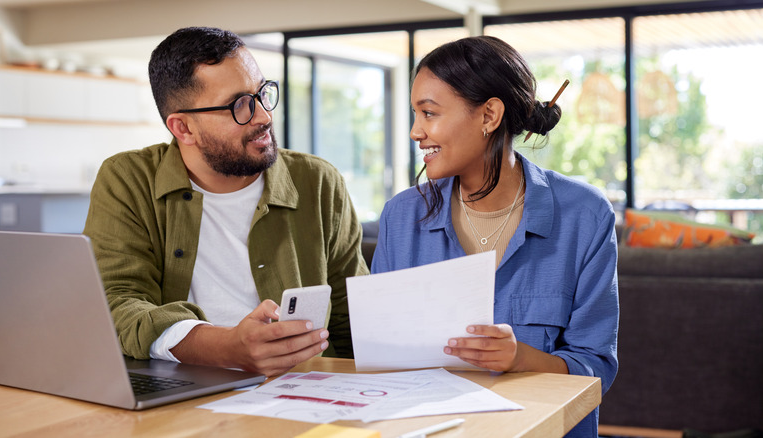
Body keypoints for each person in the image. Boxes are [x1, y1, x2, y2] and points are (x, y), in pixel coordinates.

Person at [83, 27, 368, 377]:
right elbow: (117, 303)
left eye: (262, 94)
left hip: (305, 386)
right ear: (183, 128)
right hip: (181, 389)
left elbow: (352, 313)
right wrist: (227, 348)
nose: (264, 116)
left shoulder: (318, 181)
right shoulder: (128, 178)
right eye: (240, 106)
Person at [371, 36, 619, 437]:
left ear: (489, 115)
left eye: (429, 113)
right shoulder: (402, 217)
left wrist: (521, 357)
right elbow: (381, 357)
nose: (416, 131)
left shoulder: (585, 215)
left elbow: (596, 368)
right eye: (415, 115)